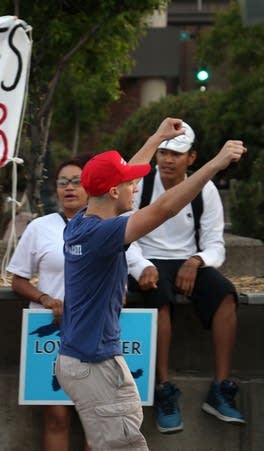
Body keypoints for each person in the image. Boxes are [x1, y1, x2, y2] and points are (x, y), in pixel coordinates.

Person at [54, 118, 246, 450]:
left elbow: (126, 173)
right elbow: (165, 207)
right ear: (114, 192)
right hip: (94, 365)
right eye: (130, 185)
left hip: (88, 360)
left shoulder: (81, 222)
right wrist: (216, 163)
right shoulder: (104, 234)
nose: (136, 188)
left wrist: (157, 138)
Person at [126, 122, 245, 433]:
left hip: (187, 259)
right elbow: (123, 234)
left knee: (225, 295)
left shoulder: (205, 190)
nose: (167, 160)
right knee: (159, 298)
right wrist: (140, 266)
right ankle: (163, 387)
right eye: (163, 152)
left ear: (191, 159)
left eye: (176, 154)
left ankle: (221, 386)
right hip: (147, 256)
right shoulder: (142, 185)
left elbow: (215, 243)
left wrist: (197, 260)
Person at [7, 156, 91, 451]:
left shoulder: (109, 226)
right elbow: (18, 279)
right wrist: (45, 298)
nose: (69, 188)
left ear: (91, 185)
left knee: (96, 418)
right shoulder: (40, 227)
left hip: (95, 330)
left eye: (77, 181)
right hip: (50, 333)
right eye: (62, 182)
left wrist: (147, 269)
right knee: (56, 415)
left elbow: (130, 268)